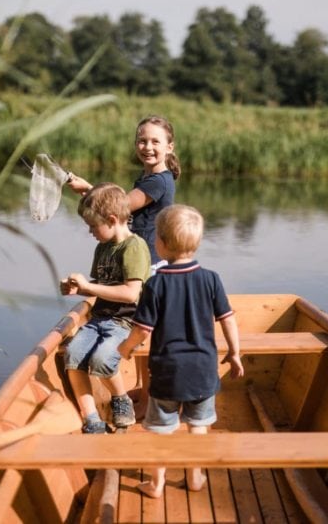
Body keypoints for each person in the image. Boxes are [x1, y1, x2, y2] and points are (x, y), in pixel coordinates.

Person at [118, 204, 244, 498]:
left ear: (159, 244)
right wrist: (235, 353)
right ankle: (195, 476)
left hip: (167, 372)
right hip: (202, 371)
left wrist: (124, 348)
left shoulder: (155, 284)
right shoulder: (211, 278)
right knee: (198, 427)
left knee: (161, 430)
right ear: (197, 243)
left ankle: (156, 483)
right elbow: (228, 318)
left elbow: (142, 330)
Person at [67, 116, 181, 413]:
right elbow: (115, 209)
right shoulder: (146, 178)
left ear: (170, 147)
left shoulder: (158, 180)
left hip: (151, 266)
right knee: (143, 331)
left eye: (156, 141)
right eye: (142, 140)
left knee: (146, 334)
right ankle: (144, 393)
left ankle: (148, 399)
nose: (148, 147)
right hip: (142, 261)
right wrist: (89, 191)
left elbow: (119, 207)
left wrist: (87, 189)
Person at [60, 183, 151, 434]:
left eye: (92, 226)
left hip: (126, 322)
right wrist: (78, 289)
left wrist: (89, 287)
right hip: (99, 318)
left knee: (102, 359)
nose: (90, 232)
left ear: (112, 220)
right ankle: (91, 418)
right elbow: (101, 286)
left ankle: (121, 400)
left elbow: (131, 294)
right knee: (73, 356)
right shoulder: (102, 247)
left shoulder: (134, 247)